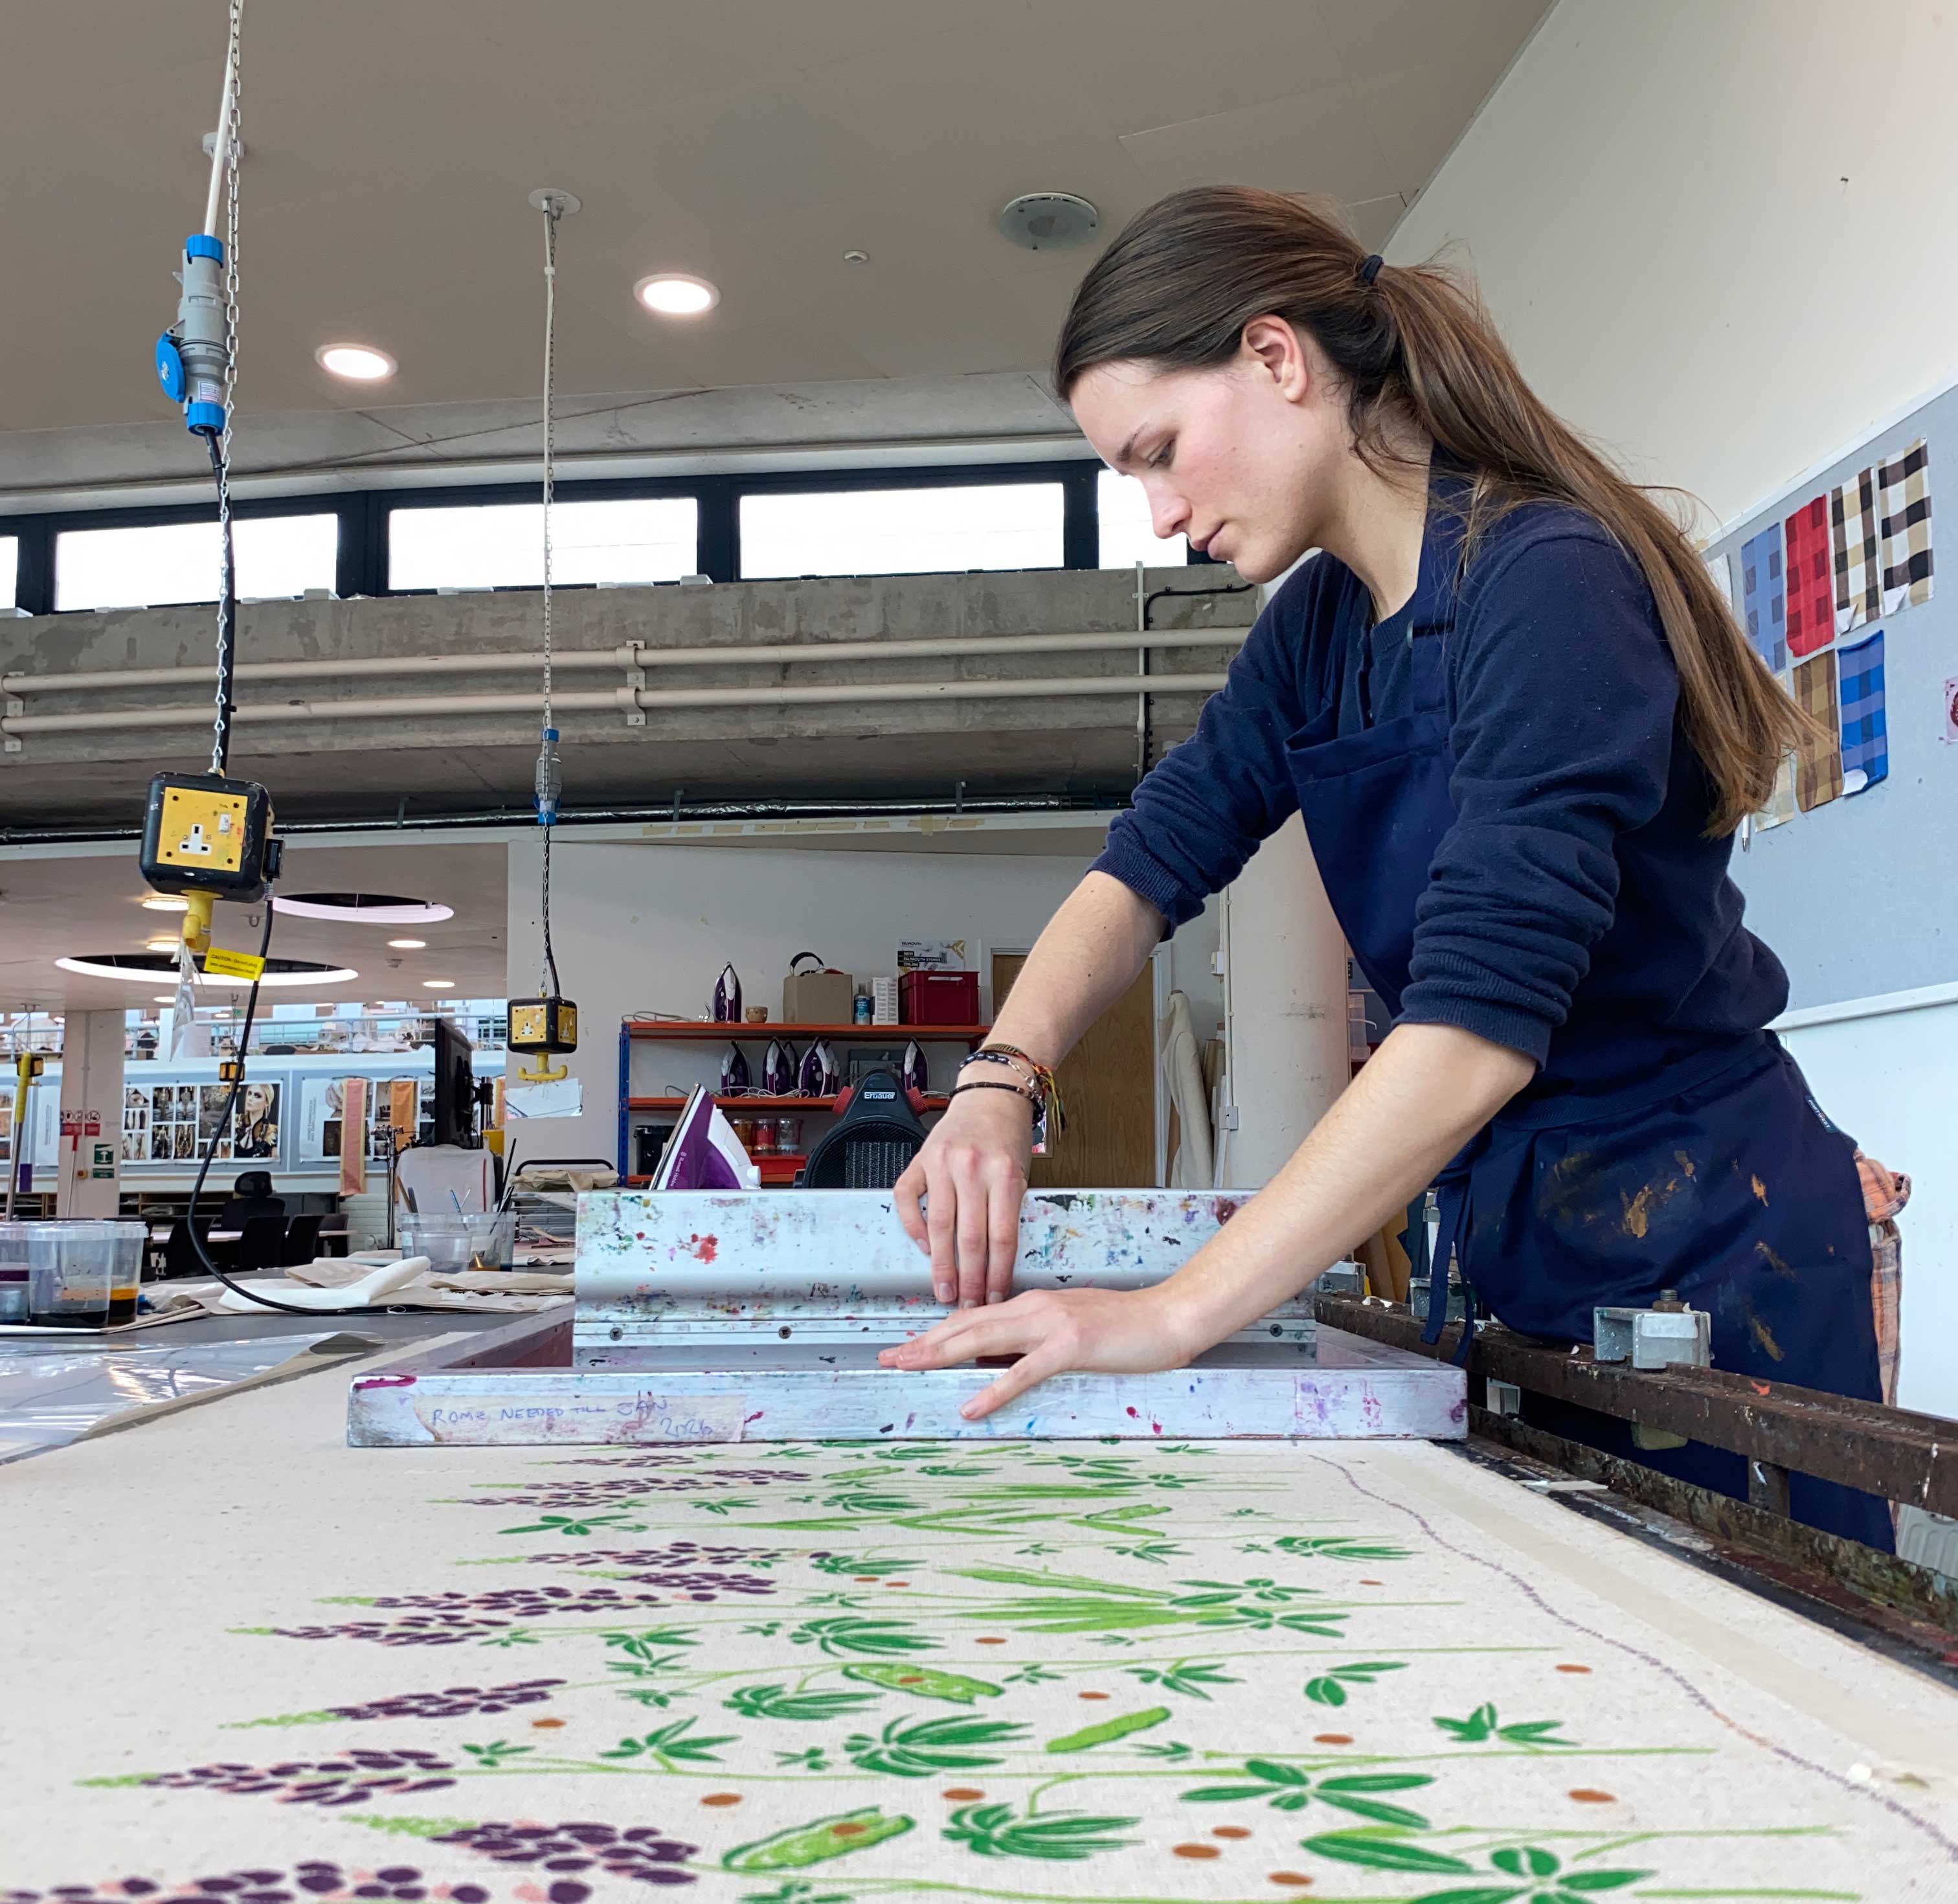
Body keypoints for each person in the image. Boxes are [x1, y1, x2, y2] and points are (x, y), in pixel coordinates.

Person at [884, 186, 1897, 1552]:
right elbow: (1152, 859)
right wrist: (1001, 1082)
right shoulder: (1317, 630)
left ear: (1276, 357)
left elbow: (1478, 1027)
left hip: (1709, 1244)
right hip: (1515, 1228)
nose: (1161, 514)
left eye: (1160, 451)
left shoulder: (1546, 581)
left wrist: (1175, 1312)